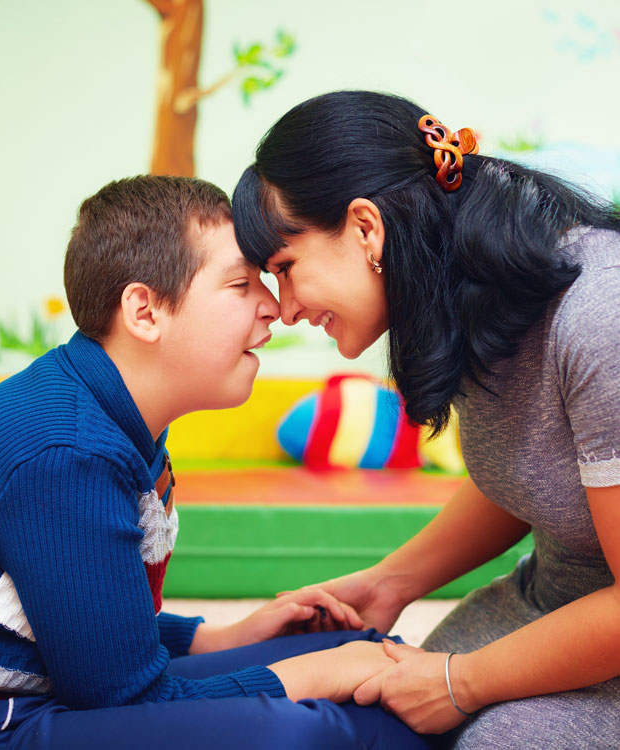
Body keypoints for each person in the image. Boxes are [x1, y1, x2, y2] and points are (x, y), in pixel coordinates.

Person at [0, 175, 429, 750]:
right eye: (241, 284)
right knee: (301, 725)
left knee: (350, 653)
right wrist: (314, 678)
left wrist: (227, 637)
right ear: (144, 310)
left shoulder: (114, 419)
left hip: (34, 693)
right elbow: (129, 702)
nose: (274, 308)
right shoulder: (65, 452)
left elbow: (87, 619)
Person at [232, 90, 620, 749]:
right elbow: (538, 470)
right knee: (378, 719)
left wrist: (460, 681)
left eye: (287, 269)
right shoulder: (466, 284)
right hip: (555, 601)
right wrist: (389, 583)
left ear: (364, 227)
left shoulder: (598, 315)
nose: (286, 309)